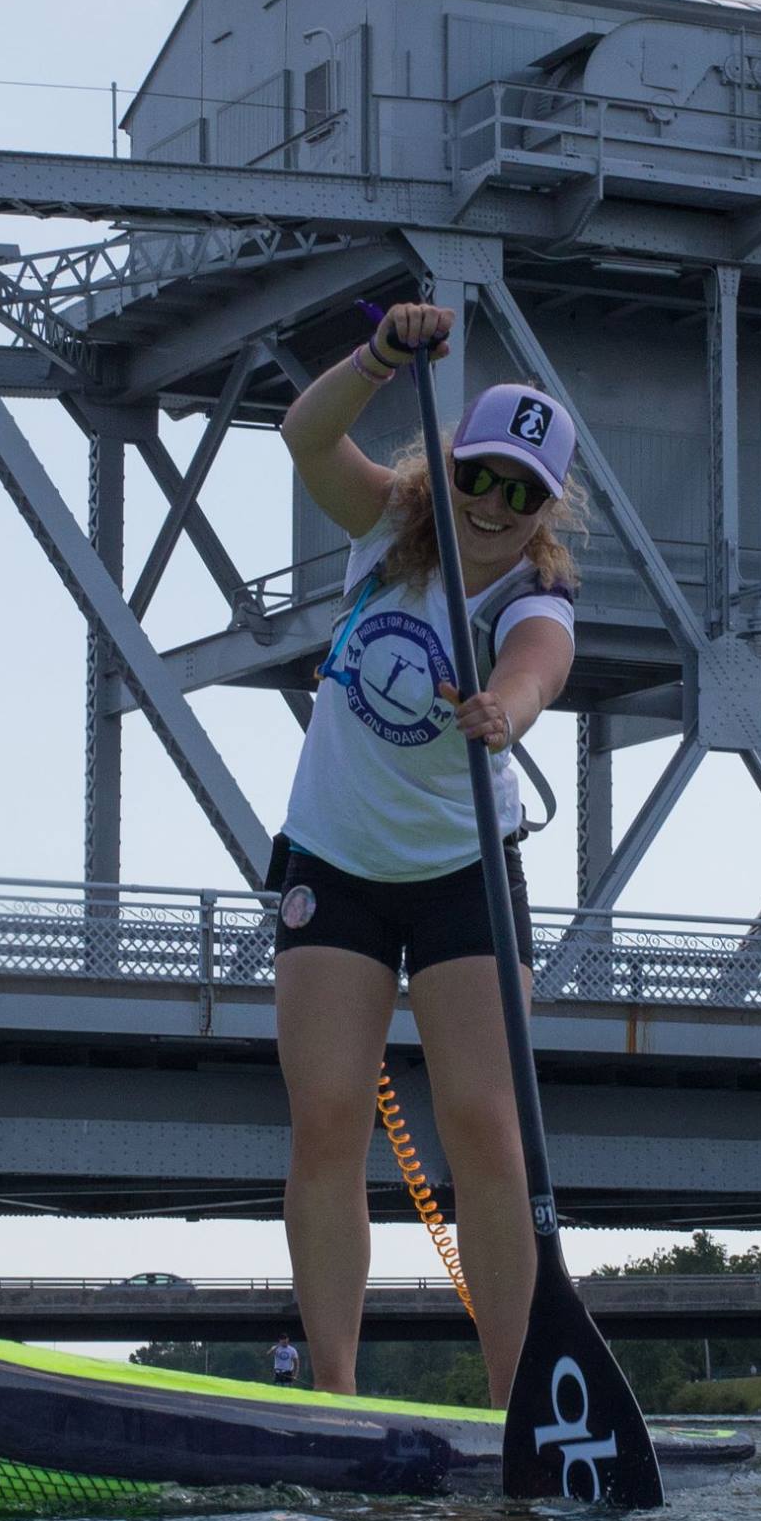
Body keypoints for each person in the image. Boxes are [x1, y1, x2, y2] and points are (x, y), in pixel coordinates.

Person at [273, 298, 583, 1408]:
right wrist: (375, 356)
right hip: (337, 862)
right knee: (326, 1119)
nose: (494, 503)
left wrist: (504, 706)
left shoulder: (531, 590)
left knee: (483, 1128)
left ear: (546, 508)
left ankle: (516, 1400)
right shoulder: (383, 526)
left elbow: (538, 664)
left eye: (522, 492)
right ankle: (336, 1394)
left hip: (464, 876)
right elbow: (305, 439)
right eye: (481, 475)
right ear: (450, 465)